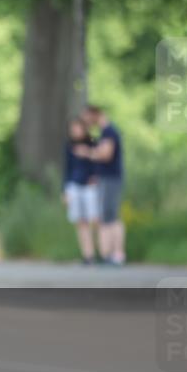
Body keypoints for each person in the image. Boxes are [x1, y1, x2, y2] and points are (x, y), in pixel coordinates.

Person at [77, 105, 125, 265]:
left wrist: (87, 152)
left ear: (95, 114)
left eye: (88, 118)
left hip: (110, 179)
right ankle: (110, 255)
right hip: (106, 179)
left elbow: (106, 154)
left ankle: (114, 255)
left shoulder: (109, 131)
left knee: (109, 217)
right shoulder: (106, 132)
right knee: (108, 216)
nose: (87, 123)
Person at [62, 118, 99, 264]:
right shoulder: (69, 146)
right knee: (80, 221)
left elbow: (98, 162)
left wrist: (95, 176)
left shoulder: (92, 143)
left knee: (94, 219)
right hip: (74, 185)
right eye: (73, 129)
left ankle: (99, 250)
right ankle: (87, 254)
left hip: (89, 186)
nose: (75, 131)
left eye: (77, 128)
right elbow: (67, 168)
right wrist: (64, 190)